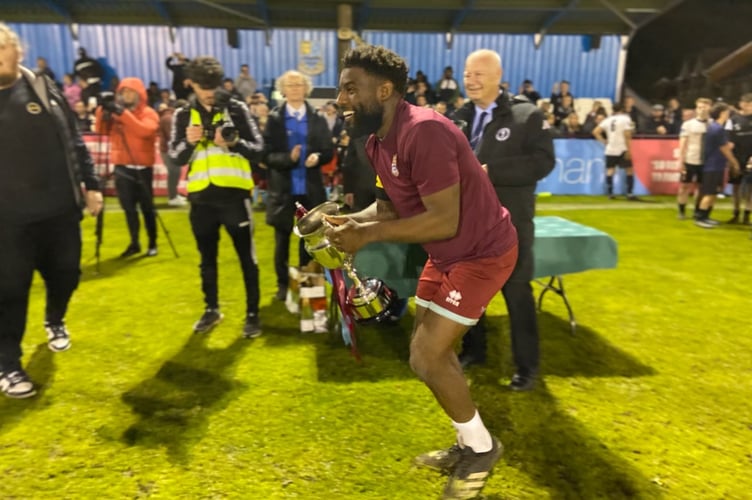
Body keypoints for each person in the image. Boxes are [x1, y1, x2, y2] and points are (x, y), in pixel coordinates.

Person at [328, 45, 518, 500]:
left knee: (429, 355)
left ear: (386, 89)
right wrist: (351, 222)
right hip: (449, 254)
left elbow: (443, 219)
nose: (340, 100)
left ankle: (482, 449)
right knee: (424, 356)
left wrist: (367, 237)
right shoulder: (376, 142)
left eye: (351, 88)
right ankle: (470, 441)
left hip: (482, 253)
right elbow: (388, 207)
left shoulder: (426, 131)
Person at [0, 23, 103, 398]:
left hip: (59, 210)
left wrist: (91, 186)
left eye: (0, 48)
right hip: (7, 222)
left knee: (66, 275)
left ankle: (54, 319)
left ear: (18, 51)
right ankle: (8, 364)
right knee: (9, 291)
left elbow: (74, 142)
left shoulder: (43, 89)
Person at [451, 49, 555, 392]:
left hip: (511, 224)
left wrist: (490, 172)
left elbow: (543, 162)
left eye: (479, 74)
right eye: (467, 74)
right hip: (468, 223)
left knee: (517, 293)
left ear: (498, 76)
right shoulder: (458, 118)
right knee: (470, 292)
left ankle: (527, 367)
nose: (471, 80)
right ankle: (474, 350)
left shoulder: (527, 115)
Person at [168, 56, 265, 338]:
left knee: (247, 259)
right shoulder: (183, 114)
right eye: (203, 86)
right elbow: (175, 158)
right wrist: (189, 142)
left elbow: (258, 149)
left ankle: (252, 315)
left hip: (235, 198)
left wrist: (233, 142)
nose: (209, 91)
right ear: (191, 83)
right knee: (206, 260)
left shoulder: (236, 108)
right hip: (200, 202)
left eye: (212, 84)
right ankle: (211, 309)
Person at [263, 70, 334, 301]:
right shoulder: (274, 119)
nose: (294, 88)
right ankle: (283, 286)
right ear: (283, 89)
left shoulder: (318, 118)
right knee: (281, 241)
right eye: (290, 85)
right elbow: (267, 156)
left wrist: (318, 157)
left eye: (299, 84)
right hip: (283, 191)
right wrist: (289, 159)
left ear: (306, 88)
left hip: (310, 190)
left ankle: (306, 282)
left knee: (310, 241)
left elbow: (328, 150)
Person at [94, 77, 161, 257]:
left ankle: (153, 242)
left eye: (131, 91)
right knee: (128, 208)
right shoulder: (116, 114)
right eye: (123, 92)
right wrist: (102, 110)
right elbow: (100, 130)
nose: (127, 95)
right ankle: (134, 242)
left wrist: (122, 113)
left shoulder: (149, 113)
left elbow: (144, 131)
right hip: (122, 166)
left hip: (143, 168)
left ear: (140, 94)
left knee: (147, 208)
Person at [695, 103, 740, 228]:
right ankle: (700, 218)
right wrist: (734, 161)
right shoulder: (717, 129)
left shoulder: (717, 127)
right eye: (726, 112)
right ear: (721, 113)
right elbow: (724, 148)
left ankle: (706, 216)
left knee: (714, 192)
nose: (728, 114)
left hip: (717, 165)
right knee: (709, 193)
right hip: (712, 166)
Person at [676, 97, 712, 219]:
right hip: (690, 159)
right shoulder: (688, 124)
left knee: (701, 187)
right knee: (684, 186)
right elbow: (682, 143)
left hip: (706, 161)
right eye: (700, 107)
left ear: (710, 108)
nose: (702, 110)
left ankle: (697, 210)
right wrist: (681, 160)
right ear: (696, 109)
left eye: (705, 107)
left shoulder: (713, 124)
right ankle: (681, 211)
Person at [593, 102, 636, 199]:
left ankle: (610, 193)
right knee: (629, 170)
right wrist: (629, 150)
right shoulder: (626, 119)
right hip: (622, 148)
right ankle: (629, 193)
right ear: (622, 109)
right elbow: (627, 135)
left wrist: (604, 141)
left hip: (610, 148)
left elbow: (595, 132)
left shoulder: (608, 120)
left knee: (610, 170)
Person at [728, 94, 752, 224]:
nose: (748, 106)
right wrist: (731, 159)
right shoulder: (733, 119)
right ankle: (736, 212)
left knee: (750, 188)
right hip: (736, 158)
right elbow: (729, 139)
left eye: (750, 103)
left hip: (751, 159)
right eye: (746, 103)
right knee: (735, 186)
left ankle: (747, 214)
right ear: (741, 104)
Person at [159, 99, 188, 207]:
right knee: (173, 173)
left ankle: (175, 195)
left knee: (176, 172)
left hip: (170, 150)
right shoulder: (169, 118)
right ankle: (172, 198)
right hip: (168, 151)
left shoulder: (171, 117)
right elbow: (172, 137)